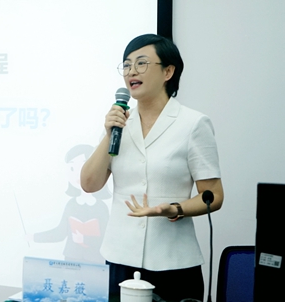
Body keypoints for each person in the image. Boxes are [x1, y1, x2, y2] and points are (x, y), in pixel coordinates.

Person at [80, 34, 223, 302]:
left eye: (141, 63)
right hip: (120, 257)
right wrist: (108, 132)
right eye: (126, 65)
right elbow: (89, 184)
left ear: (168, 71)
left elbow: (213, 196)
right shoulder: (120, 124)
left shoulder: (193, 123)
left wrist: (175, 209)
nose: (131, 71)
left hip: (174, 262)